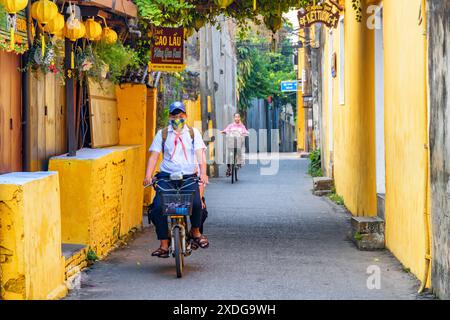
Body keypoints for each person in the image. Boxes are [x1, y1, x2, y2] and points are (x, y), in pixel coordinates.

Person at [143, 101, 209, 258]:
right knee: (158, 208)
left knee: (196, 205)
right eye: (174, 116)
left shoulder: (193, 133)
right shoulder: (163, 134)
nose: (177, 118)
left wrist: (203, 173)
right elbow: (154, 156)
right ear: (169, 117)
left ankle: (196, 232)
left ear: (185, 116)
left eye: (180, 115)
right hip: (167, 177)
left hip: (188, 177)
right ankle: (164, 244)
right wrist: (148, 175)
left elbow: (200, 154)